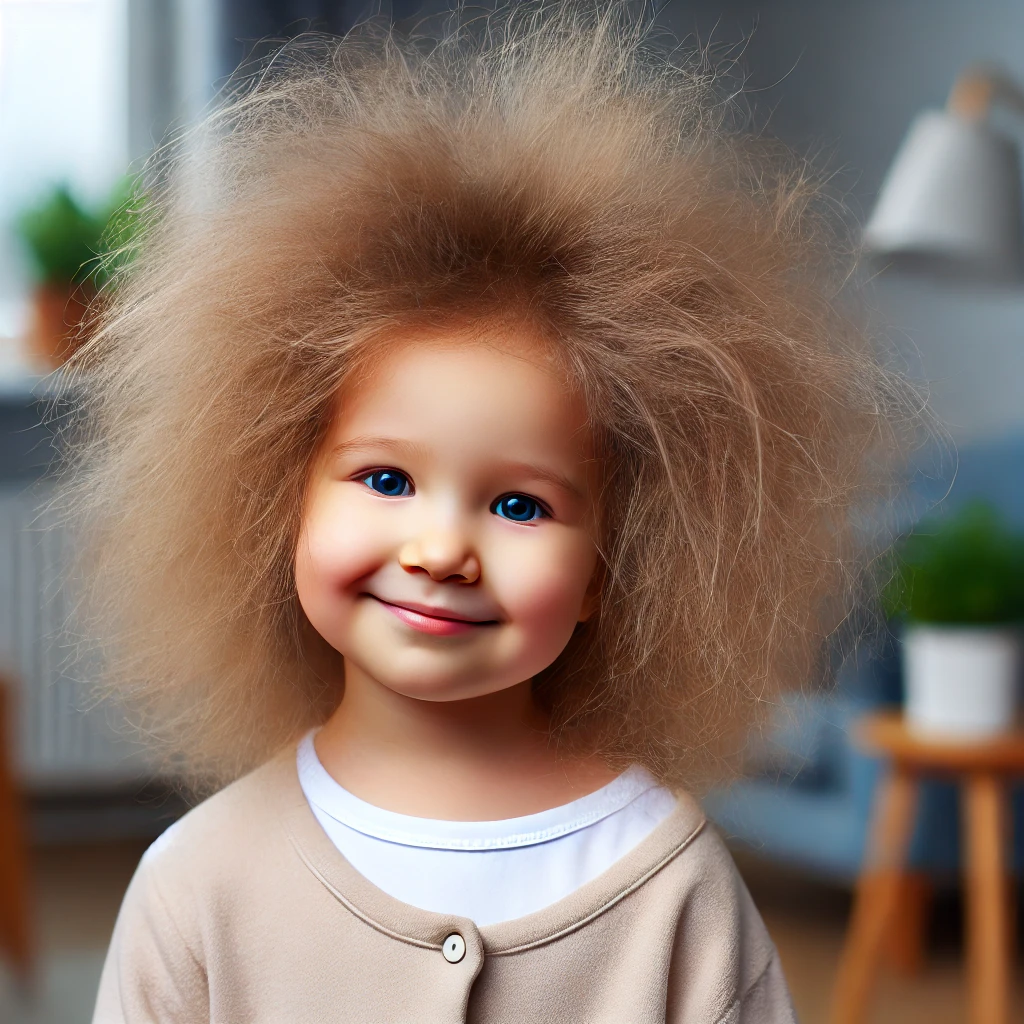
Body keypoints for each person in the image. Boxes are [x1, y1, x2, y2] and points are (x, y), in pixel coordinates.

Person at [58, 6, 908, 1021]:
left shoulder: (670, 887)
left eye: (518, 503)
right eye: (384, 479)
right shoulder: (198, 885)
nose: (441, 549)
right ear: (274, 500)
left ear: (611, 564)